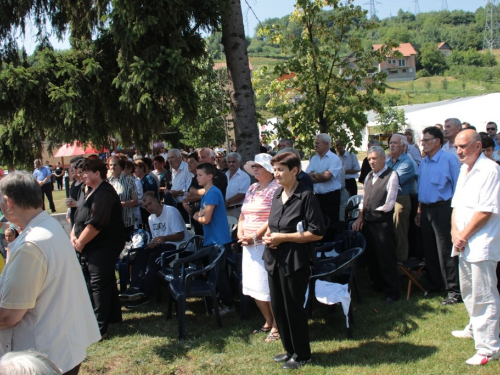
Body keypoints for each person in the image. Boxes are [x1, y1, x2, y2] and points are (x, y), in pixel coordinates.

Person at [0, 172, 100, 374]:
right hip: (63, 348)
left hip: (44, 357)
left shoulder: (31, 245)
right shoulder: (49, 226)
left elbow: (10, 315)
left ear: (8, 202)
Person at [263, 152, 325, 370]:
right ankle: (290, 350)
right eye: (275, 169)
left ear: (295, 171)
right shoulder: (277, 193)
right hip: (274, 258)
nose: (276, 173)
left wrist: (283, 238)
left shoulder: (307, 196)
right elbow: (273, 223)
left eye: (280, 169)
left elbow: (317, 233)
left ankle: (303, 354)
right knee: (279, 307)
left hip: (295, 260)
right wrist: (268, 236)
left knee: (293, 307)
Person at [450, 130, 500, 366]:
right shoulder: (463, 169)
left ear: (478, 146)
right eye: (457, 147)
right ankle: (475, 328)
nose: (459, 151)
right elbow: (456, 205)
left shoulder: (490, 170)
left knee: (485, 294)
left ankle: (488, 348)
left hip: (481, 242)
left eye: (463, 146)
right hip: (463, 241)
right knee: (468, 290)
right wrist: (454, 233)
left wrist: (464, 235)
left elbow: (485, 211)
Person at [71, 159, 126, 338]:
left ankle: (98, 328)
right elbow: (79, 217)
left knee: (99, 283)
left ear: (97, 173)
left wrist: (81, 242)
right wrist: (73, 234)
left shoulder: (104, 193)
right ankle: (113, 317)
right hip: (90, 245)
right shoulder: (88, 191)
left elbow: (96, 223)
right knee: (105, 280)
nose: (82, 175)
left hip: (104, 245)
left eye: (86, 172)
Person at [416, 126, 461, 305]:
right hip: (426, 209)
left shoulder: (449, 160)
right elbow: (422, 189)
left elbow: (458, 187)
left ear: (437, 141)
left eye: (426, 140)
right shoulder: (424, 162)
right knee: (430, 248)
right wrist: (419, 210)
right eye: (422, 141)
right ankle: (435, 284)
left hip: (443, 209)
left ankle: (453, 290)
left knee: (445, 250)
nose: (423, 144)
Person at [121, 192, 189, 308]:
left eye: (150, 203)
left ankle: (145, 295)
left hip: (178, 246)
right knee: (142, 253)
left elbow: (180, 235)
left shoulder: (170, 212)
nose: (149, 208)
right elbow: (156, 237)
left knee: (154, 259)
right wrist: (153, 243)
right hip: (163, 245)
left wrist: (164, 238)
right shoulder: (151, 218)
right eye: (146, 206)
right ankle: (135, 288)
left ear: (157, 201)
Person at [238, 153, 280, 342]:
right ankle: (268, 320)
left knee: (268, 286)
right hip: (248, 245)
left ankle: (278, 326)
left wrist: (255, 236)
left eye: (259, 166)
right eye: (253, 166)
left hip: (264, 245)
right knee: (254, 285)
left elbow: (273, 218)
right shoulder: (252, 188)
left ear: (269, 169)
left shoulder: (276, 188)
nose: (255, 169)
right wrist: (240, 233)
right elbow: (243, 214)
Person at [353, 145, 400, 303]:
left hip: (382, 224)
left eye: (375, 158)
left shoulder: (391, 175)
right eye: (369, 159)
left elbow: (389, 203)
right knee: (371, 257)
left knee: (386, 258)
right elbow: (363, 200)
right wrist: (360, 217)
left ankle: (392, 292)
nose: (372, 162)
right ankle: (377, 284)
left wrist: (371, 214)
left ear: (383, 158)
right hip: (368, 223)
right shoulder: (368, 176)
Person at [192, 163, 234, 315]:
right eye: (197, 175)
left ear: (209, 176)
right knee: (216, 273)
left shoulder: (213, 193)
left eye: (200, 175)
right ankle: (221, 301)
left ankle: (228, 304)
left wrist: (197, 216)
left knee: (219, 273)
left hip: (219, 241)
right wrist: (199, 215)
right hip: (212, 240)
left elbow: (206, 218)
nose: (197, 178)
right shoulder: (206, 194)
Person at [305, 133, 342, 239]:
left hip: (331, 197)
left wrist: (314, 174)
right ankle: (321, 245)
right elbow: (307, 176)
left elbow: (327, 177)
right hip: (317, 197)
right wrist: (319, 175)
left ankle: (331, 249)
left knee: (331, 224)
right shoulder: (314, 159)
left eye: (317, 143)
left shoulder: (334, 159)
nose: (315, 145)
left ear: (326, 144)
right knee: (318, 223)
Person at [386, 134, 416, 262]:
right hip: (387, 200)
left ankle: (401, 266)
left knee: (400, 233)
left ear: (403, 146)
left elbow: (391, 181)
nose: (391, 145)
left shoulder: (407, 162)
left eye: (395, 143)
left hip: (400, 200)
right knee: (389, 233)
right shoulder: (388, 161)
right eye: (391, 143)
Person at [108, 156, 138, 235]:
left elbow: (135, 201)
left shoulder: (129, 180)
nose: (112, 167)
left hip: (126, 221)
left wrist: (119, 204)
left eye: (115, 165)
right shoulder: (107, 181)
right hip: (112, 222)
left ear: (121, 167)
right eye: (110, 165)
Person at [167, 148, 193, 223]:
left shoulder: (187, 168)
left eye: (172, 157)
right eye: (168, 158)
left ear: (179, 158)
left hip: (186, 205)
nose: (170, 160)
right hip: (175, 205)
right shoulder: (173, 170)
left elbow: (190, 188)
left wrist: (178, 193)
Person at [225, 152, 250, 220]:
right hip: (224, 210)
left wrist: (227, 202)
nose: (231, 164)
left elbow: (242, 194)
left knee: (235, 230)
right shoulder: (225, 175)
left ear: (239, 163)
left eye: (234, 162)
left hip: (236, 210)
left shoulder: (244, 176)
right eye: (229, 162)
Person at [65, 157, 86, 227]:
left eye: (73, 167)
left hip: (83, 222)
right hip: (74, 220)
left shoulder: (86, 185)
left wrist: (77, 204)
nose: (71, 170)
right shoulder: (74, 184)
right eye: (70, 167)